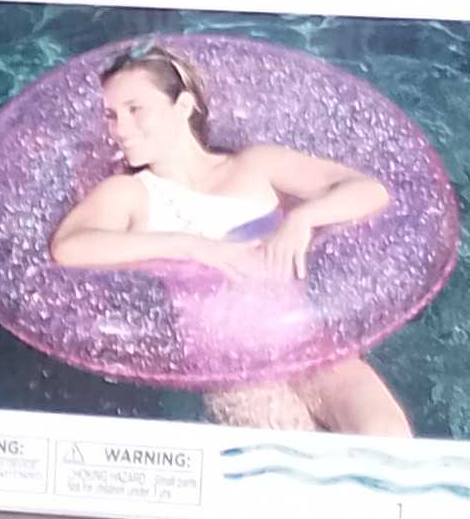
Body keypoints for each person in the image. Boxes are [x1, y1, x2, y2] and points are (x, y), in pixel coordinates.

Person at [50, 41, 407, 436]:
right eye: (112, 115)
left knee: (385, 434)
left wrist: (303, 218)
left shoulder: (255, 164)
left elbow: (368, 190)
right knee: (296, 457)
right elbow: (70, 246)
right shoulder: (131, 193)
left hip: (310, 348)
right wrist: (190, 246)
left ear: (183, 106)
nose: (120, 129)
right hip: (235, 372)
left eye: (135, 110)